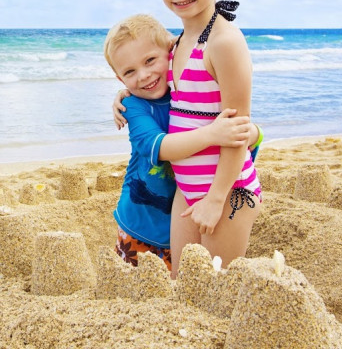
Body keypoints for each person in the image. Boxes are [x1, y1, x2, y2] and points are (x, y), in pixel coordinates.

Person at [103, 14, 259, 271]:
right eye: (129, 72)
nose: (143, 76)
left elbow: (234, 127)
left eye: (150, 60)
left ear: (171, 52)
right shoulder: (132, 105)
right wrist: (212, 134)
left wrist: (253, 132)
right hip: (141, 222)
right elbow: (158, 146)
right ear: (121, 80)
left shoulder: (183, 91)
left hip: (185, 211)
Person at [155, 0, 262, 277]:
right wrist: (124, 94)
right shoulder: (176, 43)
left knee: (216, 287)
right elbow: (150, 81)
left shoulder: (224, 43)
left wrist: (216, 199)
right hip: (186, 189)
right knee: (181, 282)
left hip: (228, 190)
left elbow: (236, 131)